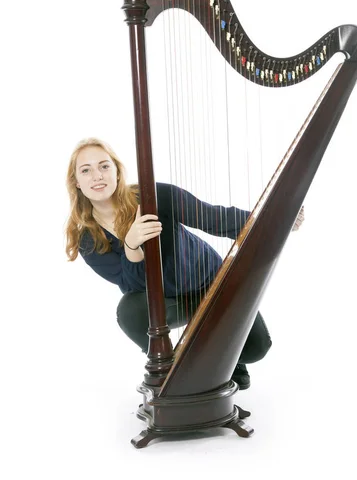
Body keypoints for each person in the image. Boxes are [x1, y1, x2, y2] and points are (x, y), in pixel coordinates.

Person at [66, 137, 303, 390]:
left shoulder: (154, 196)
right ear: (77, 183)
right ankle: (172, 366)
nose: (97, 176)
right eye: (86, 170)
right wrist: (131, 244)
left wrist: (277, 218)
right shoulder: (88, 241)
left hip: (210, 283)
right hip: (170, 302)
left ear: (116, 170)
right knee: (129, 310)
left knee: (257, 348)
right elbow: (133, 285)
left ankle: (229, 360)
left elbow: (214, 218)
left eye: (104, 166)